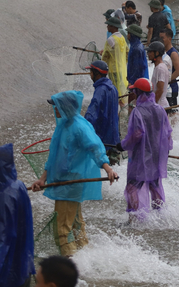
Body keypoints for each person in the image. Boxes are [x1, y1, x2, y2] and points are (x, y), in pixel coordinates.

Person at [31, 91, 118, 256]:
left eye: (56, 105)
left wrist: (108, 169)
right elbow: (53, 157)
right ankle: (85, 259)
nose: (54, 109)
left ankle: (69, 265)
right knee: (76, 224)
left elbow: (95, 148)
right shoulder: (63, 125)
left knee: (62, 229)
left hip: (71, 183)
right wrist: (42, 179)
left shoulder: (79, 127)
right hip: (64, 181)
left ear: (65, 107)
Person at [0, 143, 35, 287]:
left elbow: (2, 236)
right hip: (23, 264)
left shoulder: (4, 197)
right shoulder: (19, 185)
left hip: (8, 271)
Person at [118, 78, 173, 217]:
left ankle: (133, 220)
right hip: (156, 155)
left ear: (139, 92)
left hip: (140, 157)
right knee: (154, 186)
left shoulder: (137, 112)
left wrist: (123, 145)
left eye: (135, 91)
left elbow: (137, 134)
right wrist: (165, 151)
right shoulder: (160, 110)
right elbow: (168, 134)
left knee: (132, 187)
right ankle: (160, 216)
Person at [84, 60, 121, 153]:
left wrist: (83, 127)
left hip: (103, 138)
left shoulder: (100, 90)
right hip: (114, 138)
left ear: (97, 74)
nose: (90, 75)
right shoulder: (113, 88)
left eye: (91, 72)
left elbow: (92, 112)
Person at [102, 16, 129, 103]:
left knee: (115, 92)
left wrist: (102, 69)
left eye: (109, 25)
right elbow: (127, 52)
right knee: (121, 90)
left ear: (113, 27)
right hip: (122, 69)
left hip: (113, 70)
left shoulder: (110, 40)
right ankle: (122, 109)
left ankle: (119, 112)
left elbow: (105, 56)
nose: (107, 27)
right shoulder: (122, 38)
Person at [160, 28, 179, 107]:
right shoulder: (162, 51)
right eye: (160, 38)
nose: (161, 40)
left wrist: (167, 80)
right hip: (164, 87)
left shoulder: (173, 53)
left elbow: (178, 71)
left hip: (171, 88)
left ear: (169, 39)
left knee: (173, 113)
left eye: (163, 38)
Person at [146, 41, 170, 109]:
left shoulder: (160, 68)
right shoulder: (158, 67)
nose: (148, 54)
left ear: (157, 53)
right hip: (159, 105)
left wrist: (153, 105)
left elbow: (160, 90)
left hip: (160, 106)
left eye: (150, 52)